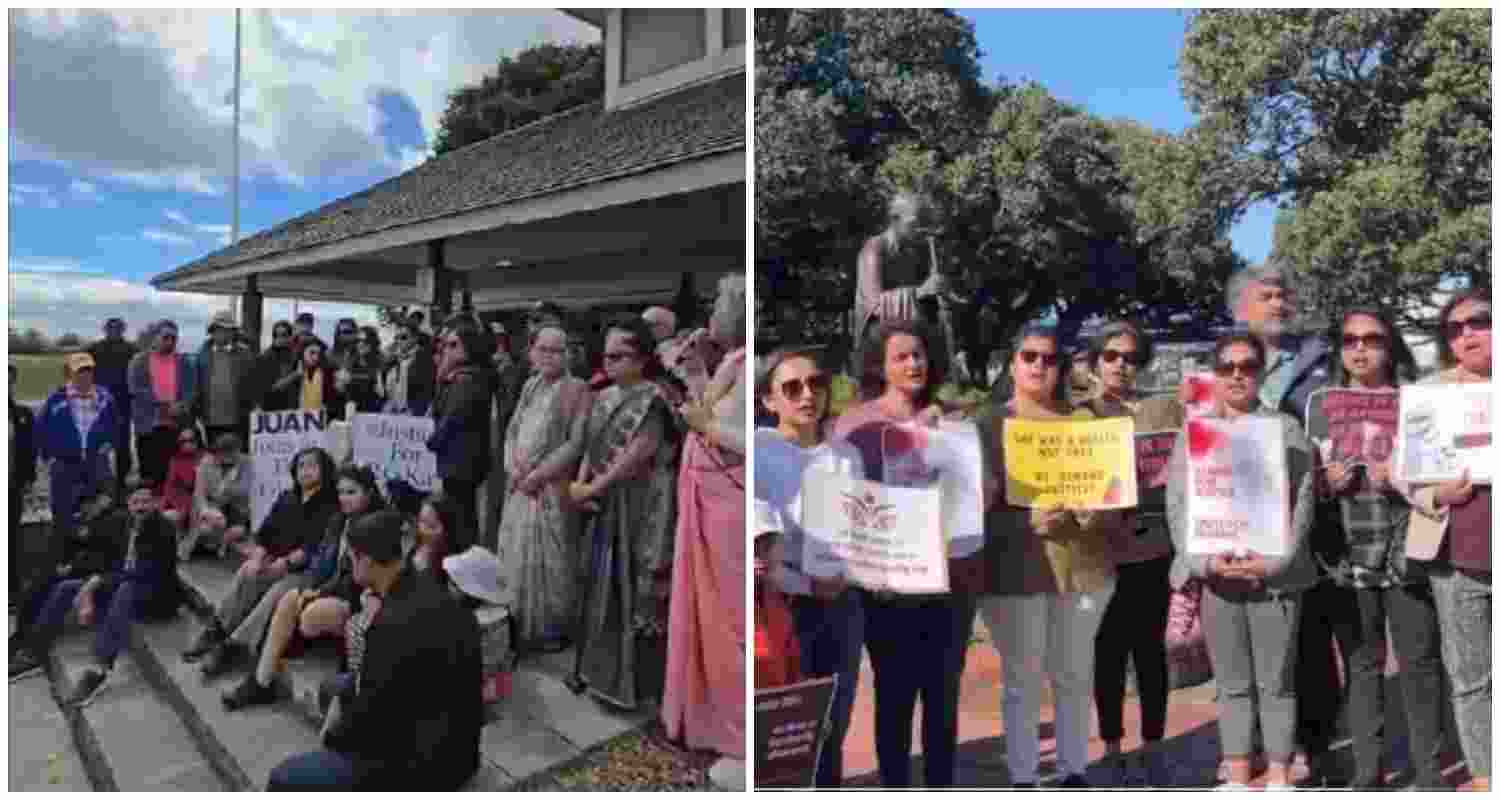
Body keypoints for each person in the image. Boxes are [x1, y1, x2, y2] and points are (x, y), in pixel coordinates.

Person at [833, 320, 983, 788]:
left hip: (948, 582)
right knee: (894, 696)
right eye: (901, 357)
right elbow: (842, 499)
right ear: (881, 365)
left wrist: (949, 442)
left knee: (942, 696)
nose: (913, 364)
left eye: (918, 354)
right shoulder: (856, 423)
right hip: (888, 586)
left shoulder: (955, 422)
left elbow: (981, 495)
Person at [1166, 332, 1319, 790]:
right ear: (1215, 374)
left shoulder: (1286, 431)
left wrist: (1274, 563)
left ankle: (1278, 776)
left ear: (1259, 373)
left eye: (1247, 366)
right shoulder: (1193, 434)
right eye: (1228, 367)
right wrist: (1203, 562)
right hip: (1216, 578)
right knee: (1231, 685)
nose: (1237, 375)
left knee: (1277, 684)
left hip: (1275, 579)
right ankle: (1235, 776)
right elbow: (1179, 504)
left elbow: (1303, 502)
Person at [975, 325, 1119, 789]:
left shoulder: (1087, 422)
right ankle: (1023, 777)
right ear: (1012, 363)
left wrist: (1090, 512)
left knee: (1075, 676)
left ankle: (1074, 772)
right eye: (1029, 356)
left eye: (1049, 358)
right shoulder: (987, 424)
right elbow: (970, 511)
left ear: (1062, 367)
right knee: (1022, 681)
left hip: (1083, 570)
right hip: (1015, 570)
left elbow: (1115, 501)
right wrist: (1026, 522)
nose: (1039, 366)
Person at [1312, 307, 1447, 789]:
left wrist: (1408, 479)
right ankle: (1369, 774)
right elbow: (1305, 485)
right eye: (1350, 340)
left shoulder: (1419, 404)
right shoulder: (1321, 406)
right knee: (1362, 666)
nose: (1361, 348)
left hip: (1409, 549)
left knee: (1420, 664)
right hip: (1347, 553)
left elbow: (1441, 471)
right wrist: (1325, 483)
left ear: (1391, 347)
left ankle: (1431, 774)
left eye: (1372, 338)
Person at [266, 510, 482, 790]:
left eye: (352, 559)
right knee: (333, 689)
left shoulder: (389, 623)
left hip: (427, 768)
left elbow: (373, 720)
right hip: (459, 746)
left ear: (366, 561)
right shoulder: (429, 589)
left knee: (282, 778)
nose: (350, 565)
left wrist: (334, 738)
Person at [1227, 263, 1340, 784]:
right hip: (1235, 526)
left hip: (1303, 525)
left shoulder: (1319, 360)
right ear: (1238, 308)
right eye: (1265, 295)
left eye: (1282, 294)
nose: (1277, 303)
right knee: (1247, 647)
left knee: (1309, 641)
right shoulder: (1217, 369)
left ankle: (1312, 745)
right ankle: (1251, 747)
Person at [753, 346, 867, 787]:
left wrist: (847, 578)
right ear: (769, 400)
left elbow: (862, 532)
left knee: (832, 727)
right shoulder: (761, 452)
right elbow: (760, 546)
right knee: (782, 733)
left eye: (817, 383)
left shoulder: (847, 457)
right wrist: (804, 585)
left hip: (842, 606)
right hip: (781, 609)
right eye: (792, 387)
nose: (807, 395)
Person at [1403, 289, 1492, 792]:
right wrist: (1437, 491)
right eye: (1454, 330)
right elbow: (1404, 474)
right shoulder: (1430, 393)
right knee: (1471, 678)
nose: (1467, 335)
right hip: (1456, 560)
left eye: (1478, 322)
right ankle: (1484, 775)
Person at [1080, 321, 1176, 787]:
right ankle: (1113, 745)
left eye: (1131, 357)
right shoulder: (1081, 415)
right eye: (1112, 355)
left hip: (1154, 548)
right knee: (1107, 655)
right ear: (1096, 361)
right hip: (1102, 553)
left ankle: (1154, 744)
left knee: (1151, 654)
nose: (1121, 364)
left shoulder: (1163, 409)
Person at [567, 317, 679, 709]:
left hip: (638, 507)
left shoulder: (653, 400)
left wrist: (590, 489)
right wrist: (580, 485)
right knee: (596, 584)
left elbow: (633, 459)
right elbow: (590, 446)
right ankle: (592, 670)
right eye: (606, 356)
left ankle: (628, 683)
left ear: (643, 358)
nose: (609, 363)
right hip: (603, 504)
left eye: (619, 356)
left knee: (627, 589)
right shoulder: (605, 396)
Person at [663, 275, 749, 778]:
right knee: (704, 608)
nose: (713, 309)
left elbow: (735, 436)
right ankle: (704, 714)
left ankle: (732, 725)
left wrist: (701, 422)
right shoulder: (730, 363)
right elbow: (708, 414)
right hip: (707, 497)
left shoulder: (748, 364)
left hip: (726, 507)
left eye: (720, 300)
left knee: (725, 616)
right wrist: (695, 373)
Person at [221, 465, 387, 710]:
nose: (344, 498)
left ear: (369, 494)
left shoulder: (376, 525)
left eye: (352, 492)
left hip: (361, 601)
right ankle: (260, 682)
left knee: (307, 611)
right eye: (341, 492)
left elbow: (356, 580)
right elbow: (322, 565)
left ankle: (258, 670)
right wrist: (311, 587)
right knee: (288, 598)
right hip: (331, 590)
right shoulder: (338, 521)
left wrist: (319, 593)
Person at [18, 478, 178, 707]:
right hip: (125, 587)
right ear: (128, 504)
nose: (142, 507)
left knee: (124, 589)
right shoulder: (123, 524)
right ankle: (35, 650)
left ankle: (99, 668)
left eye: (147, 501)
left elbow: (142, 573)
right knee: (67, 587)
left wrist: (93, 585)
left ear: (156, 503)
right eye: (136, 502)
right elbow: (109, 560)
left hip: (157, 597)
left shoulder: (163, 530)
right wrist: (89, 583)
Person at [184, 447, 339, 675]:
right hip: (276, 561)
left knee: (278, 591)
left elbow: (312, 549)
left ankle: (234, 646)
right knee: (247, 572)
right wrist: (258, 557)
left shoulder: (330, 505)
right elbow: (265, 534)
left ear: (324, 470)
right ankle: (217, 629)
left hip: (306, 572)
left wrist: (284, 564)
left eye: (312, 465)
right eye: (301, 465)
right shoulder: (287, 497)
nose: (306, 471)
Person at [495, 323, 590, 652]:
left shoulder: (577, 388)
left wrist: (539, 475)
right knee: (515, 551)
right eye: (543, 349)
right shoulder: (530, 385)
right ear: (532, 352)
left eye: (557, 350)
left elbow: (575, 443)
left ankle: (550, 632)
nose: (549, 356)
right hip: (520, 483)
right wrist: (516, 467)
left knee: (553, 560)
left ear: (568, 355)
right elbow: (512, 431)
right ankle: (517, 624)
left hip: (550, 488)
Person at [38, 353, 120, 544]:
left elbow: (116, 426)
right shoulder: (56, 399)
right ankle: (62, 561)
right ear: (70, 373)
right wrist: (48, 458)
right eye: (80, 371)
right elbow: (41, 430)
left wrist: (109, 444)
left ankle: (91, 563)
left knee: (97, 513)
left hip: (95, 465)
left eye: (88, 371)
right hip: (64, 466)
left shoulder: (105, 398)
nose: (85, 375)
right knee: (63, 514)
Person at [426, 319, 493, 540]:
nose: (447, 349)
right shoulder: (465, 376)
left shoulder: (467, 379)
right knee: (461, 517)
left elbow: (452, 418)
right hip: (462, 459)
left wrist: (433, 442)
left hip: (461, 460)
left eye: (454, 344)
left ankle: (462, 569)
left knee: (460, 520)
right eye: (446, 344)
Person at [128, 320, 198, 485]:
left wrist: (183, 405)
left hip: (175, 424)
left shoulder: (184, 362)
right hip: (148, 425)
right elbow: (136, 389)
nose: (170, 342)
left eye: (173, 338)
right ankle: (149, 506)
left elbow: (191, 389)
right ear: (155, 337)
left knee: (174, 472)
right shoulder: (139, 361)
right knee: (150, 474)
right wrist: (165, 406)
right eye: (165, 337)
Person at [181, 432, 253, 559]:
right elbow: (199, 492)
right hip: (210, 505)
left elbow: (245, 489)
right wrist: (206, 511)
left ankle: (223, 543)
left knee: (238, 531)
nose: (229, 458)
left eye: (233, 453)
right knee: (209, 527)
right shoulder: (205, 463)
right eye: (224, 454)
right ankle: (202, 544)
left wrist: (227, 486)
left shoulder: (246, 461)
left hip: (235, 507)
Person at [88, 317, 137, 493]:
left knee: (122, 445)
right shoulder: (93, 349)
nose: (114, 331)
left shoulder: (132, 350)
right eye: (111, 328)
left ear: (123, 330)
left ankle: (121, 481)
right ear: (105, 329)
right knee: (98, 444)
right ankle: (97, 481)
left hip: (123, 404)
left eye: (118, 328)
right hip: (99, 404)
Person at [196, 310, 256, 446]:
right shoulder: (202, 354)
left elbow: (253, 384)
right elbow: (196, 386)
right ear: (212, 330)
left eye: (229, 329)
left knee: (238, 459)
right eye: (220, 329)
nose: (225, 333)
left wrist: (252, 407)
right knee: (215, 459)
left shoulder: (245, 354)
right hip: (210, 421)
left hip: (238, 420)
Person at [11, 363, 39, 598]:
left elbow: (30, 450)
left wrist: (28, 479)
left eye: (9, 381)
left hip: (11, 486)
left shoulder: (23, 414)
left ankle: (11, 589)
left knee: (10, 536)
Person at [273, 337, 342, 419]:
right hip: (295, 420)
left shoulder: (327, 372)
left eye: (318, 354)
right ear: (303, 352)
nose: (315, 357)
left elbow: (335, 398)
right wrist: (295, 375)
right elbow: (276, 388)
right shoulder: (291, 368)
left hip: (319, 420)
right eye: (312, 353)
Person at [160, 427, 207, 534]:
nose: (187, 444)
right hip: (181, 504)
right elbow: (170, 488)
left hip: (204, 504)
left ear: (198, 441)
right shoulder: (175, 460)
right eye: (183, 441)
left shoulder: (207, 458)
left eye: (191, 440)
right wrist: (183, 508)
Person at [254, 320, 300, 413]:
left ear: (290, 337)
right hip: (271, 409)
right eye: (276, 335)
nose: (279, 338)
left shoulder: (295, 355)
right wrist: (295, 375)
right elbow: (271, 387)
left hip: (292, 409)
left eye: (284, 335)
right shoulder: (265, 357)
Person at [340, 327, 384, 414]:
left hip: (373, 413)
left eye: (365, 341)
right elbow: (341, 389)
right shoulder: (350, 362)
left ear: (373, 343)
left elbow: (383, 393)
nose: (361, 344)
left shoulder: (380, 363)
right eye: (358, 341)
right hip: (352, 413)